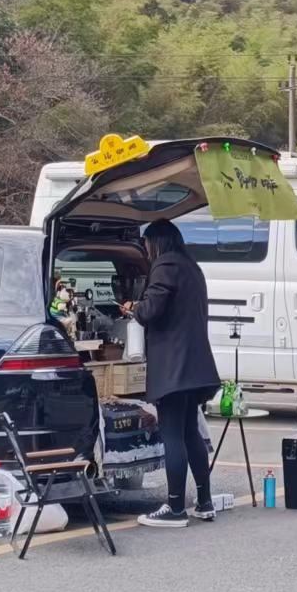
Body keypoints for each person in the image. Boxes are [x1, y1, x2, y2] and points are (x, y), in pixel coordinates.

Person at [125, 218, 220, 527]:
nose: (146, 250)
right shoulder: (192, 267)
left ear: (157, 242)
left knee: (172, 434)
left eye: (147, 244)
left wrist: (134, 308)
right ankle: (204, 502)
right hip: (196, 364)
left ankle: (176, 508)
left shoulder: (165, 266)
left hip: (173, 368)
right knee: (191, 431)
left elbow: (152, 310)